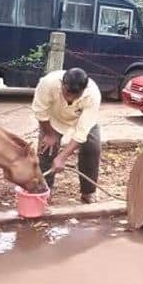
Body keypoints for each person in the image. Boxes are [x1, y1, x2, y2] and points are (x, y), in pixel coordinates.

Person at [31, 67, 102, 203]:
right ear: (62, 84)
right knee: (46, 149)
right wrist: (50, 134)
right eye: (67, 92)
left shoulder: (93, 94)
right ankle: (45, 191)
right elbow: (40, 111)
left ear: (83, 90)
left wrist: (62, 157)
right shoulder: (48, 83)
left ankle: (88, 192)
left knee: (92, 148)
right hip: (54, 119)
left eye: (75, 95)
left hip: (81, 120)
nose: (70, 98)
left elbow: (82, 132)